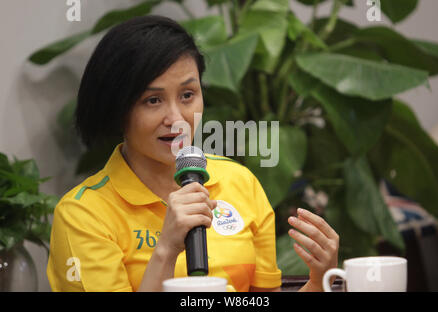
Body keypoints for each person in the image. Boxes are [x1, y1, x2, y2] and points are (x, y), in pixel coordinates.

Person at [46, 15, 339, 292]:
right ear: (117, 108)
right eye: (153, 100)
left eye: (187, 95)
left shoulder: (240, 183)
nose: (176, 118)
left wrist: (318, 280)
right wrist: (166, 249)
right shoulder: (83, 216)